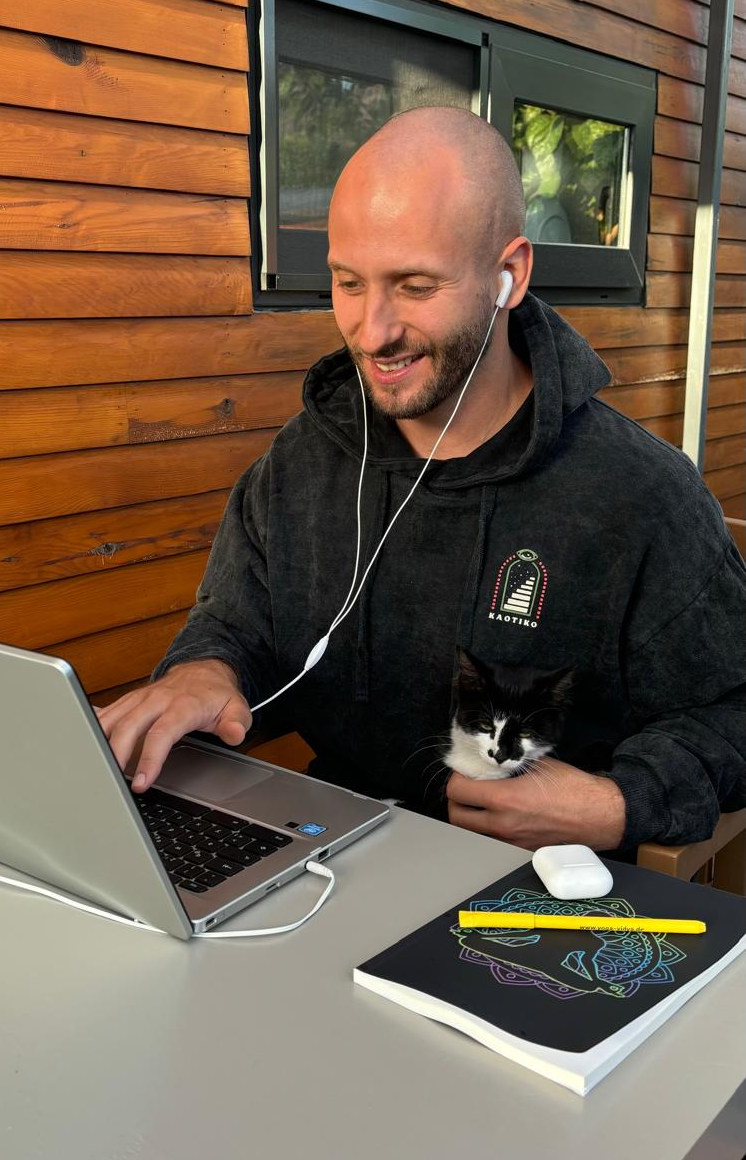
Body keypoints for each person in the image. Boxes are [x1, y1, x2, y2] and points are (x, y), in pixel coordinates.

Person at [99, 108, 746, 852]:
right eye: (347, 282)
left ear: (510, 276)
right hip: (323, 859)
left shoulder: (639, 497)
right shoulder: (299, 465)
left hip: (536, 898)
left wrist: (620, 804)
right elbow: (237, 628)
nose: (372, 331)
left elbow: (734, 709)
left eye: (413, 286)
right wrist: (204, 671)